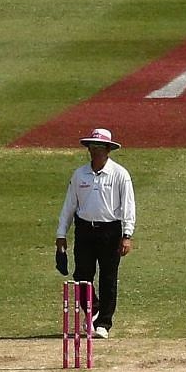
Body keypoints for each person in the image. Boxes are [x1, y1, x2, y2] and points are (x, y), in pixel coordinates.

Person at [54, 127, 136, 339]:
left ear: (108, 149)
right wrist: (61, 234)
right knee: (82, 276)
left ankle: (103, 324)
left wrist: (127, 234)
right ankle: (95, 308)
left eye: (100, 147)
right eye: (93, 146)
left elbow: (128, 206)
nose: (96, 151)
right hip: (84, 230)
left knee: (108, 277)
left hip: (110, 231)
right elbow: (69, 206)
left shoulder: (120, 174)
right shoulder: (79, 174)